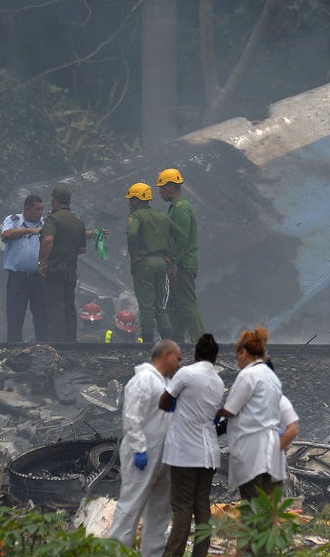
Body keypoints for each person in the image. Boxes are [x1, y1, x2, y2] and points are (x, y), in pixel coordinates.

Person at [109, 339, 182, 557]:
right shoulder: (143, 380)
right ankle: (117, 552)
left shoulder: (164, 382)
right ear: (167, 355)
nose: (179, 364)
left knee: (160, 510)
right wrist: (139, 448)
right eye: (177, 359)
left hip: (164, 454)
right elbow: (132, 418)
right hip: (143, 454)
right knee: (131, 506)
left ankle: (153, 553)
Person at [159, 333, 223, 557]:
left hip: (184, 451)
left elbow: (164, 401)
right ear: (215, 358)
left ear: (196, 354)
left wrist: (176, 407)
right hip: (209, 453)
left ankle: (173, 553)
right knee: (202, 506)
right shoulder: (218, 381)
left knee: (182, 507)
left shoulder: (186, 373)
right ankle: (200, 554)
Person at [217, 326, 286, 501]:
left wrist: (211, 414)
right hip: (273, 447)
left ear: (245, 352)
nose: (237, 360)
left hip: (251, 448)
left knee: (252, 501)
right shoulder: (271, 376)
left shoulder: (247, 375)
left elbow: (230, 410)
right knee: (269, 504)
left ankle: (255, 529)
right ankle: (270, 529)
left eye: (238, 355)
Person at [126, 182, 187, 342]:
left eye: (131, 199)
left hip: (144, 264)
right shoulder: (162, 216)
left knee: (147, 306)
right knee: (160, 306)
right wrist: (172, 259)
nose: (129, 203)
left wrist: (134, 256)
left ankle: (147, 343)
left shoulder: (136, 216)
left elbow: (132, 235)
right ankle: (167, 342)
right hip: (162, 263)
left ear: (136, 200)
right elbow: (181, 237)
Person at [157, 168, 205, 342]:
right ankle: (175, 340)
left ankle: (200, 343)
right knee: (174, 306)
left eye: (162, 188)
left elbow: (181, 240)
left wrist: (173, 263)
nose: (160, 192)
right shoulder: (175, 208)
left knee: (187, 305)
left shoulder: (180, 209)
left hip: (182, 265)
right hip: (179, 264)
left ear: (170, 187)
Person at [38, 187, 86, 342]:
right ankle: (71, 343)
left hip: (55, 270)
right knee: (69, 307)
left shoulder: (53, 219)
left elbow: (48, 240)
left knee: (56, 308)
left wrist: (42, 262)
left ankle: (57, 345)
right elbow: (82, 249)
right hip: (71, 271)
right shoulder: (78, 222)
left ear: (54, 200)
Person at [1, 194, 48, 342]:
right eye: (37, 209)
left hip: (39, 276)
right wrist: (29, 231)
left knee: (42, 316)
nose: (40, 212)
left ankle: (43, 347)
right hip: (18, 278)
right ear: (26, 209)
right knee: (15, 316)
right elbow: (6, 234)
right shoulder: (13, 220)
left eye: (42, 209)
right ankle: (14, 350)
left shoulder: (46, 223)